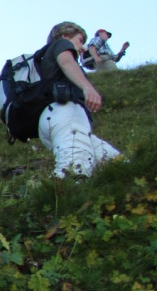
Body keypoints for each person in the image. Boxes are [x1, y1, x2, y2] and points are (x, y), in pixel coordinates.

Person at [36, 21, 120, 178]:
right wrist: (87, 88)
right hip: (66, 114)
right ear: (65, 36)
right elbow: (67, 62)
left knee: (117, 163)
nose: (82, 48)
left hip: (58, 120)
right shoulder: (61, 44)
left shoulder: (46, 57)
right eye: (80, 40)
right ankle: (55, 199)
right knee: (74, 171)